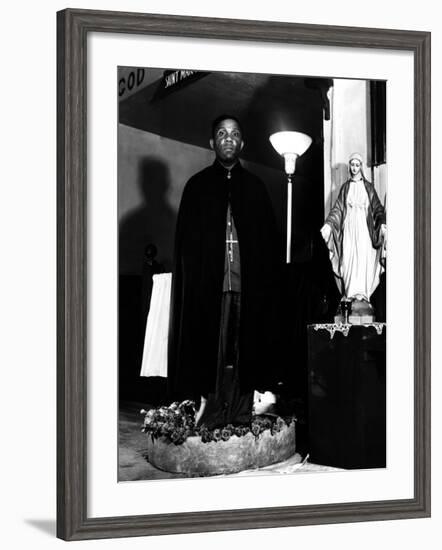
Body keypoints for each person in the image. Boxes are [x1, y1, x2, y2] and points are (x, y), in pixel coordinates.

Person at [167, 115, 282, 428]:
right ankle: (211, 412)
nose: (228, 138)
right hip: (210, 289)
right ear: (212, 143)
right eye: (221, 133)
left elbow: (267, 248)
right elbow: (187, 249)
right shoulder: (197, 187)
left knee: (245, 351)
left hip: (248, 287)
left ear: (242, 143)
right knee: (213, 353)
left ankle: (244, 412)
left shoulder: (256, 189)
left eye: (234, 134)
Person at [320, 152, 386, 314]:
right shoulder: (345, 188)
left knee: (362, 259)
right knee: (349, 258)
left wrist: (382, 223)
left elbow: (377, 209)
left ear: (361, 167)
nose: (354, 168)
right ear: (349, 166)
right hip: (348, 229)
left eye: (357, 165)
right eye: (352, 165)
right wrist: (329, 225)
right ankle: (349, 295)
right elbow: (337, 210)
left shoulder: (368, 187)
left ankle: (362, 296)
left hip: (364, 229)